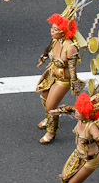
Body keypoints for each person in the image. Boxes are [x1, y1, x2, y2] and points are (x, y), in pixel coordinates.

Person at [35, 12, 83, 144]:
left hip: (63, 80)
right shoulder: (55, 40)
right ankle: (48, 118)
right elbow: (48, 49)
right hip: (51, 74)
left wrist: (74, 85)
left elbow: (73, 69)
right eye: (52, 27)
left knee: (51, 106)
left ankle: (51, 131)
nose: (52, 31)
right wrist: (42, 59)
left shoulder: (71, 48)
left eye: (56, 29)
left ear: (64, 32)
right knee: (44, 96)